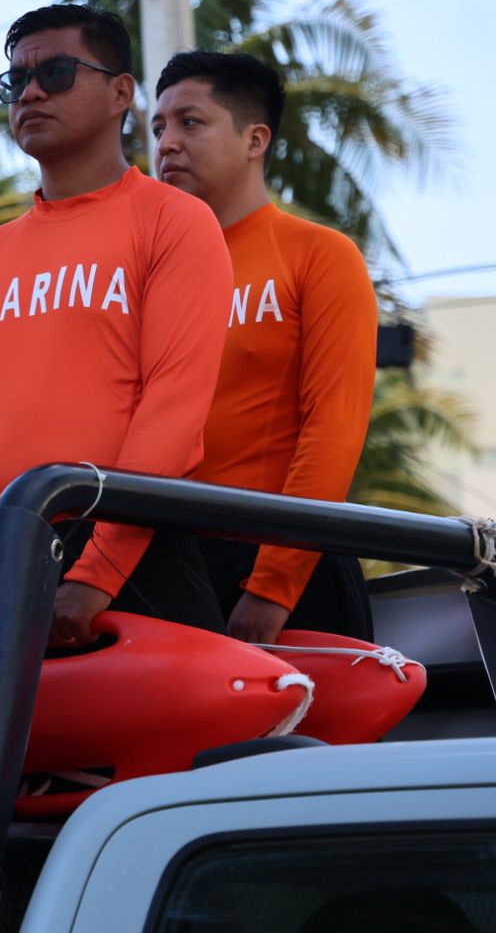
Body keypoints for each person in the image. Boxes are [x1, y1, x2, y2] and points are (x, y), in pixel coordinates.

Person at [0, 4, 233, 648]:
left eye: (58, 72)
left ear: (122, 92)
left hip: (134, 555)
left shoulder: (173, 222)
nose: (31, 92)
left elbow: (172, 410)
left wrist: (98, 573)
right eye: (16, 82)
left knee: (163, 752)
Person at [153, 50, 376, 642]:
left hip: (284, 565)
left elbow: (334, 429)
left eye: (189, 122)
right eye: (157, 128)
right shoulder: (149, 276)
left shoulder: (318, 255)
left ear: (255, 140)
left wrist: (273, 587)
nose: (166, 143)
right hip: (166, 564)